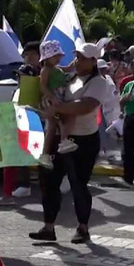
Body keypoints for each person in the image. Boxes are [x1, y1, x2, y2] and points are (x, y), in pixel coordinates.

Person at [29, 43, 109, 244]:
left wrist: (59, 108)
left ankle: (83, 227)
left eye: (82, 57)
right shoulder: (69, 77)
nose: (78, 60)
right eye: (77, 57)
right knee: (48, 181)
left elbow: (85, 106)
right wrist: (46, 106)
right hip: (57, 136)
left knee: (78, 184)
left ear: (93, 61)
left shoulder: (99, 82)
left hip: (83, 140)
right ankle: (49, 227)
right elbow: (51, 94)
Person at [0, 42, 41, 206]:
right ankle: (21, 186)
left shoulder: (33, 90)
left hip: (28, 127)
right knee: (16, 160)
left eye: (21, 76)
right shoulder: (17, 90)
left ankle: (23, 185)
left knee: (24, 158)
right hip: (15, 127)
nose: (18, 78)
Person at [36, 40, 77, 169]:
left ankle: (61, 143)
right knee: (54, 125)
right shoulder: (46, 70)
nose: (58, 58)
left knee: (61, 122)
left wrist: (76, 60)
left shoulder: (57, 68)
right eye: (55, 56)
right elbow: (42, 86)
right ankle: (47, 152)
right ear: (47, 57)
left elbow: (69, 68)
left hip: (59, 98)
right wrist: (52, 98)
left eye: (59, 56)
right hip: (51, 99)